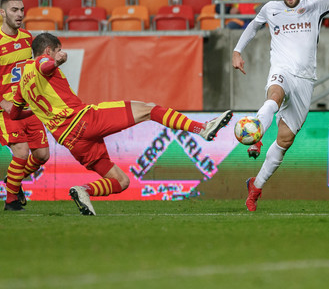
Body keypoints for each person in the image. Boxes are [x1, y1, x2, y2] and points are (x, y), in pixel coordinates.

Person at [2, 33, 233, 215]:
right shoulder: (43, 61)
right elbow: (44, 66)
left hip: (71, 142)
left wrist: (41, 111)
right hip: (83, 121)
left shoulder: (22, 83)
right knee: (149, 109)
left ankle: (83, 190)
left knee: (121, 181)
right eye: (58, 50)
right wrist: (56, 61)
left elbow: (13, 115)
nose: (60, 53)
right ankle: (202, 129)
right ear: (49, 50)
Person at [232, 0, 329, 211]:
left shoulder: (315, 5)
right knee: (274, 95)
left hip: (305, 79)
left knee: (285, 140)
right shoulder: (271, 8)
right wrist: (237, 51)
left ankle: (256, 186)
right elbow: (253, 27)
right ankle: (256, 134)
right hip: (282, 70)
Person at [0, 0, 50, 211]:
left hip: (28, 107)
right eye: (14, 10)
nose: (20, 14)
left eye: (21, 9)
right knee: (21, 152)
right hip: (7, 109)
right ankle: (11, 202)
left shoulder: (28, 38)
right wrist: (3, 103)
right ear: (2, 13)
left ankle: (12, 180)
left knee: (42, 155)